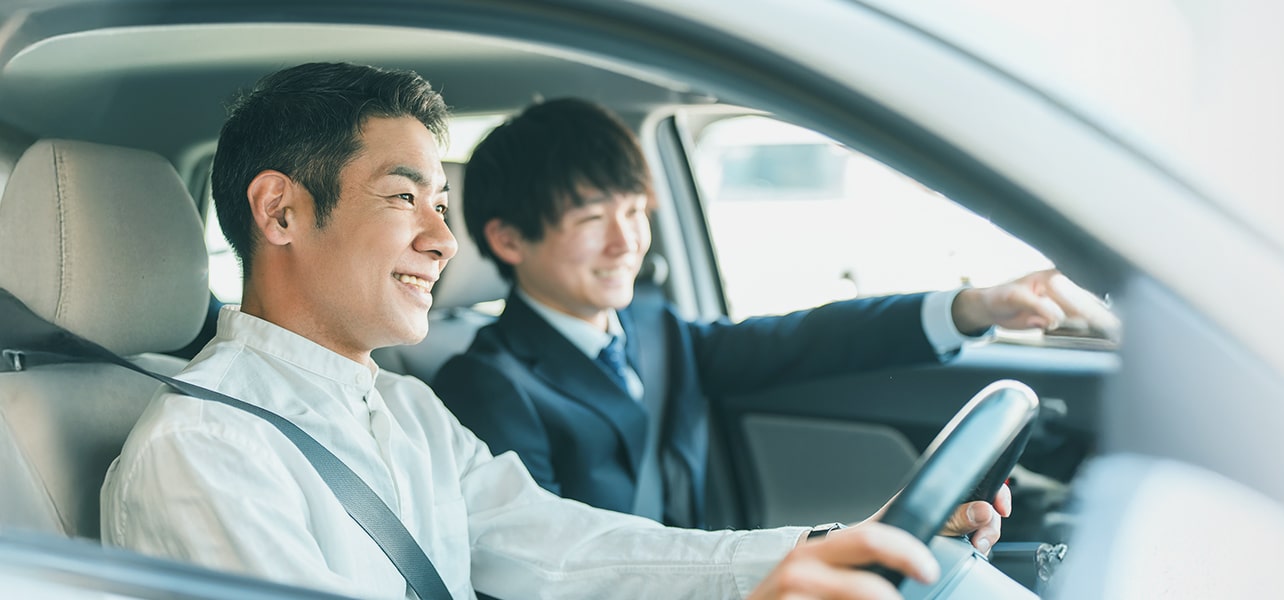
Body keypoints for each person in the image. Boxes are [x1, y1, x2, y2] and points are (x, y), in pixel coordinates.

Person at [99, 62, 1004, 600]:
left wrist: (821, 550)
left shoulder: (408, 412)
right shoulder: (206, 450)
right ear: (280, 212)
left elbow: (572, 550)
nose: (443, 240)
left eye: (442, 204)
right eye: (405, 197)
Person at [433, 98, 1114, 535]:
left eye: (635, 212)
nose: (627, 243)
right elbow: (549, 563)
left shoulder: (653, 325)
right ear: (508, 240)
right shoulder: (486, 386)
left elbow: (806, 339)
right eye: (591, 220)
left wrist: (970, 308)